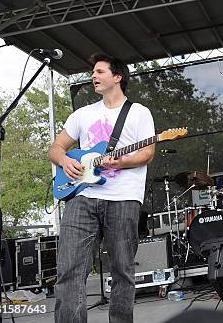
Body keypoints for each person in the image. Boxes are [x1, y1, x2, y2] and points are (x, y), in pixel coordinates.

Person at [48, 53, 155, 322]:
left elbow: (147, 153)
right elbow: (56, 148)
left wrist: (120, 163)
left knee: (122, 270)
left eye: (99, 72)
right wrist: (64, 160)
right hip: (82, 195)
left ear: (117, 77)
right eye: (92, 72)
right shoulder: (82, 114)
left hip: (124, 198)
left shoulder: (139, 112)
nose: (93, 76)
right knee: (69, 270)